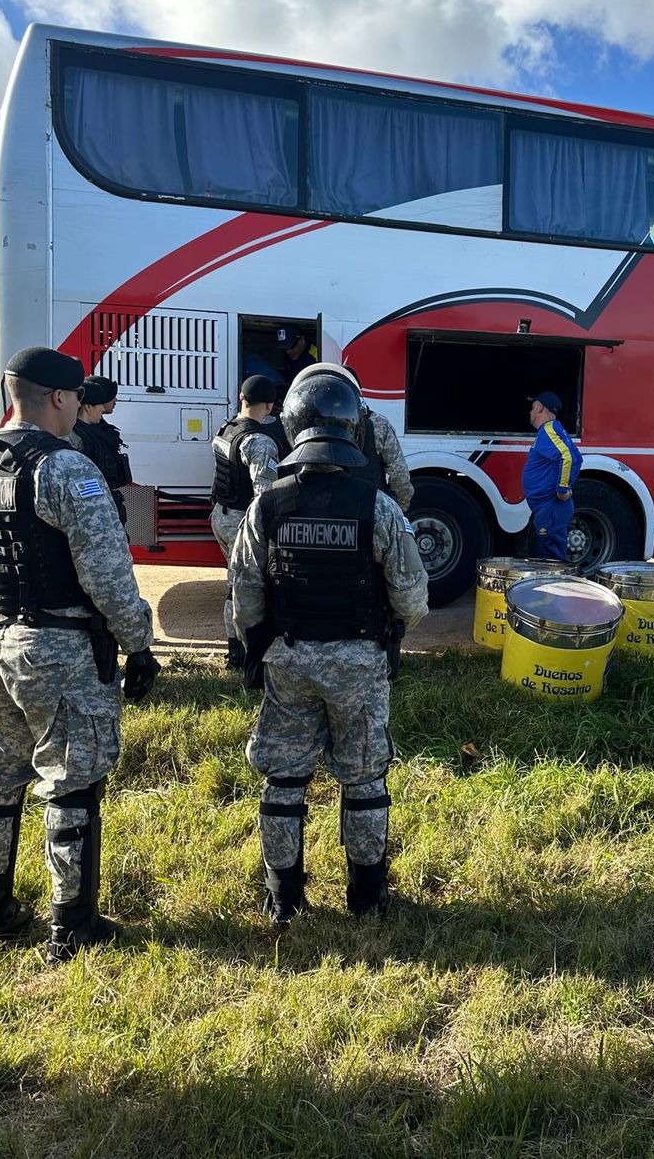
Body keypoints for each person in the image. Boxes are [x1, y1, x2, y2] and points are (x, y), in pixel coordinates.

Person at [230, 371, 429, 923]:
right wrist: (393, 633)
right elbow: (412, 597)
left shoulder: (265, 507)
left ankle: (283, 899)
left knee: (284, 778)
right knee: (364, 777)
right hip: (360, 662)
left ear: (292, 426)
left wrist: (258, 647)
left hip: (288, 660)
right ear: (351, 428)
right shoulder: (379, 508)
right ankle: (367, 900)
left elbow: (244, 595)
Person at [0, 348, 158, 962]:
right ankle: (73, 925)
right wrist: (138, 645)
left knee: (0, 780)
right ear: (61, 399)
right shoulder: (66, 470)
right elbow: (108, 574)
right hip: (56, 648)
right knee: (73, 781)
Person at [210, 376, 291, 669]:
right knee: (240, 589)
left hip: (220, 515)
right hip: (240, 522)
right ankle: (238, 654)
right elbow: (264, 494)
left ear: (242, 398)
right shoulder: (260, 442)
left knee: (233, 583)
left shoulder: (226, 429)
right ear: (270, 406)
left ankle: (238, 650)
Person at [289, 363, 414, 512]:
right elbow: (400, 479)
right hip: (367, 510)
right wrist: (395, 512)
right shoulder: (378, 424)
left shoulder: (307, 423)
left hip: (317, 512)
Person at [522, 391, 583, 562]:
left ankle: (556, 588)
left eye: (533, 408)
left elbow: (569, 457)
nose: (530, 412)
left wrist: (563, 489)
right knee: (545, 558)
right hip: (548, 509)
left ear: (540, 407)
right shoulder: (551, 431)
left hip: (551, 508)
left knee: (552, 562)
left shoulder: (549, 430)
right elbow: (576, 457)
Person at [71, 377, 130, 527]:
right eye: (99, 405)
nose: (103, 409)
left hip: (104, 507)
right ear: (88, 407)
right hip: (91, 513)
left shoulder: (99, 430)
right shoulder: (76, 437)